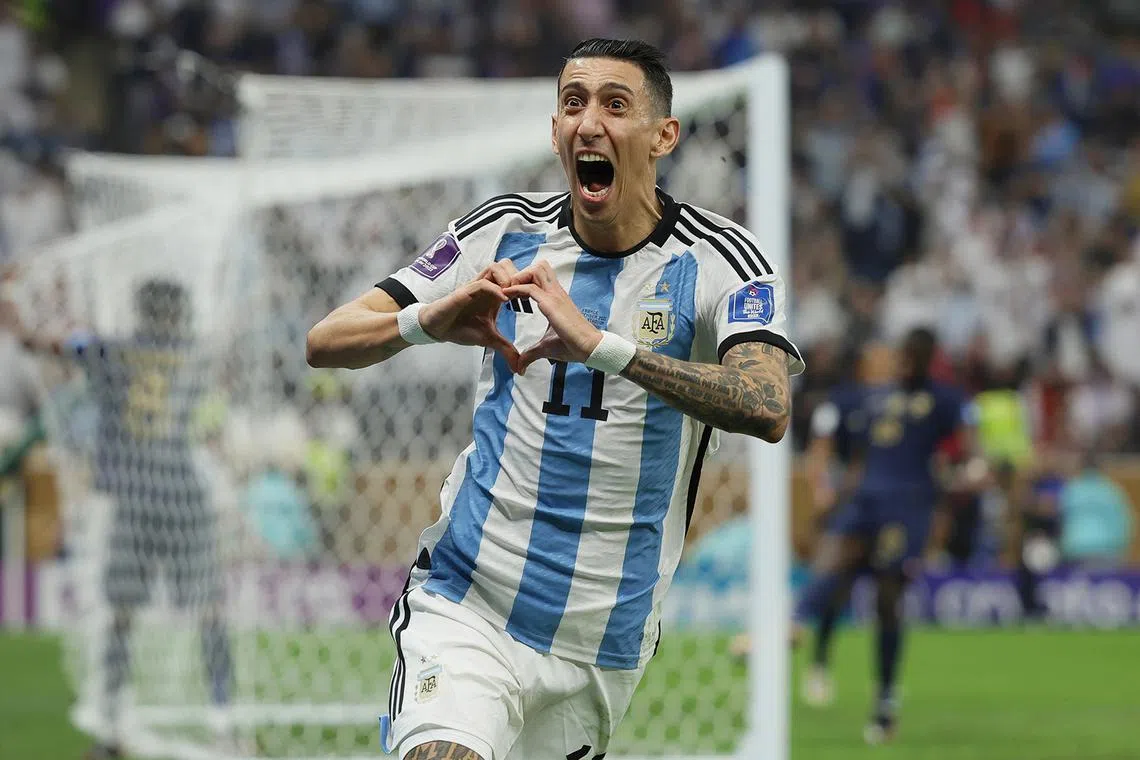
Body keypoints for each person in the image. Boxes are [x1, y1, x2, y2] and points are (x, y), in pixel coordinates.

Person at [307, 38, 804, 760]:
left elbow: (766, 404)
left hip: (601, 646)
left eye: (614, 104)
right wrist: (427, 321)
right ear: (554, 130)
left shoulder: (722, 261)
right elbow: (328, 340)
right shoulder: (503, 231)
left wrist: (603, 344)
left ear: (664, 134)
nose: (588, 122)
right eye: (573, 104)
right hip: (471, 602)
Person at [8, 279, 235, 759]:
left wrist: (16, 311)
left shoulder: (109, 350)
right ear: (177, 316)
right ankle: (222, 722)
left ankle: (108, 726)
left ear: (141, 313)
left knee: (120, 618)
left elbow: (49, 343)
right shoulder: (192, 356)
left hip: (133, 499)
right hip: (181, 493)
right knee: (210, 610)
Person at [789, 327, 981, 744]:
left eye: (913, 355)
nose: (903, 361)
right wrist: (829, 495)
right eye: (901, 353)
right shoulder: (868, 398)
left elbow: (968, 450)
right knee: (833, 567)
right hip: (862, 503)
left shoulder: (946, 400)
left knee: (887, 599)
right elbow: (851, 452)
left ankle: (885, 700)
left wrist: (964, 477)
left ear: (928, 359)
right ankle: (796, 629)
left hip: (907, 510)